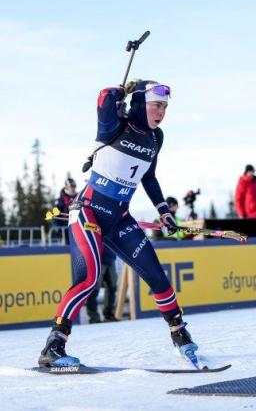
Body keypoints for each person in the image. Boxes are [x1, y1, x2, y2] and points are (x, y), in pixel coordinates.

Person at [38, 80, 197, 368]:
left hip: (119, 219)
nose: (161, 112)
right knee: (88, 279)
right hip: (88, 213)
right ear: (139, 102)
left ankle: (180, 335)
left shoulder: (156, 138)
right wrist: (125, 87)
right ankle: (54, 344)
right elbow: (104, 97)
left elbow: (148, 177)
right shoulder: (114, 123)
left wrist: (164, 212)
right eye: (156, 105)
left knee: (157, 276)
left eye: (165, 107)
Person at [84, 249, 119, 323]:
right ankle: (94, 317)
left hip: (110, 258)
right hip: (97, 260)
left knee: (112, 288)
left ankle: (108, 314)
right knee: (94, 290)